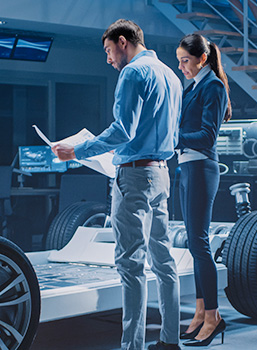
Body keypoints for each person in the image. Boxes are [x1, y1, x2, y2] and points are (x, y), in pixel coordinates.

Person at [52, 19, 183, 350]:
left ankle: (132, 346)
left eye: (109, 51)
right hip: (162, 173)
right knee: (164, 261)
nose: (108, 59)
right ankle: (170, 341)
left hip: (135, 176)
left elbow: (123, 130)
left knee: (130, 265)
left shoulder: (134, 73)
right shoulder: (171, 75)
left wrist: (76, 151)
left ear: (123, 42)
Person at [174, 33, 231, 347]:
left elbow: (206, 136)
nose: (182, 67)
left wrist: (175, 136)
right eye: (179, 61)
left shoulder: (213, 86)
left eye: (185, 61)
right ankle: (199, 312)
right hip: (188, 167)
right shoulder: (194, 85)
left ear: (202, 59)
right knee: (195, 247)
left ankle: (214, 316)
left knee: (200, 244)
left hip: (201, 167)